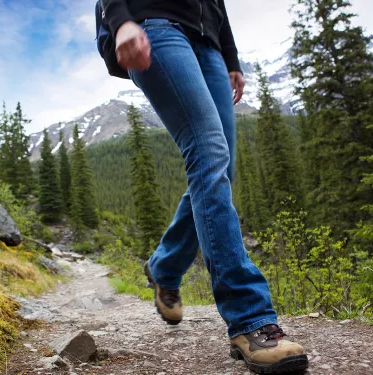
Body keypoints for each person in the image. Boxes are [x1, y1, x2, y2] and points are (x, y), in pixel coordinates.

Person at [101, 1, 309, 373]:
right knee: (208, 151)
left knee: (218, 168)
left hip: (209, 44)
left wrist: (231, 59)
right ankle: (250, 319)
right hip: (155, 26)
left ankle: (164, 266)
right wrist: (121, 22)